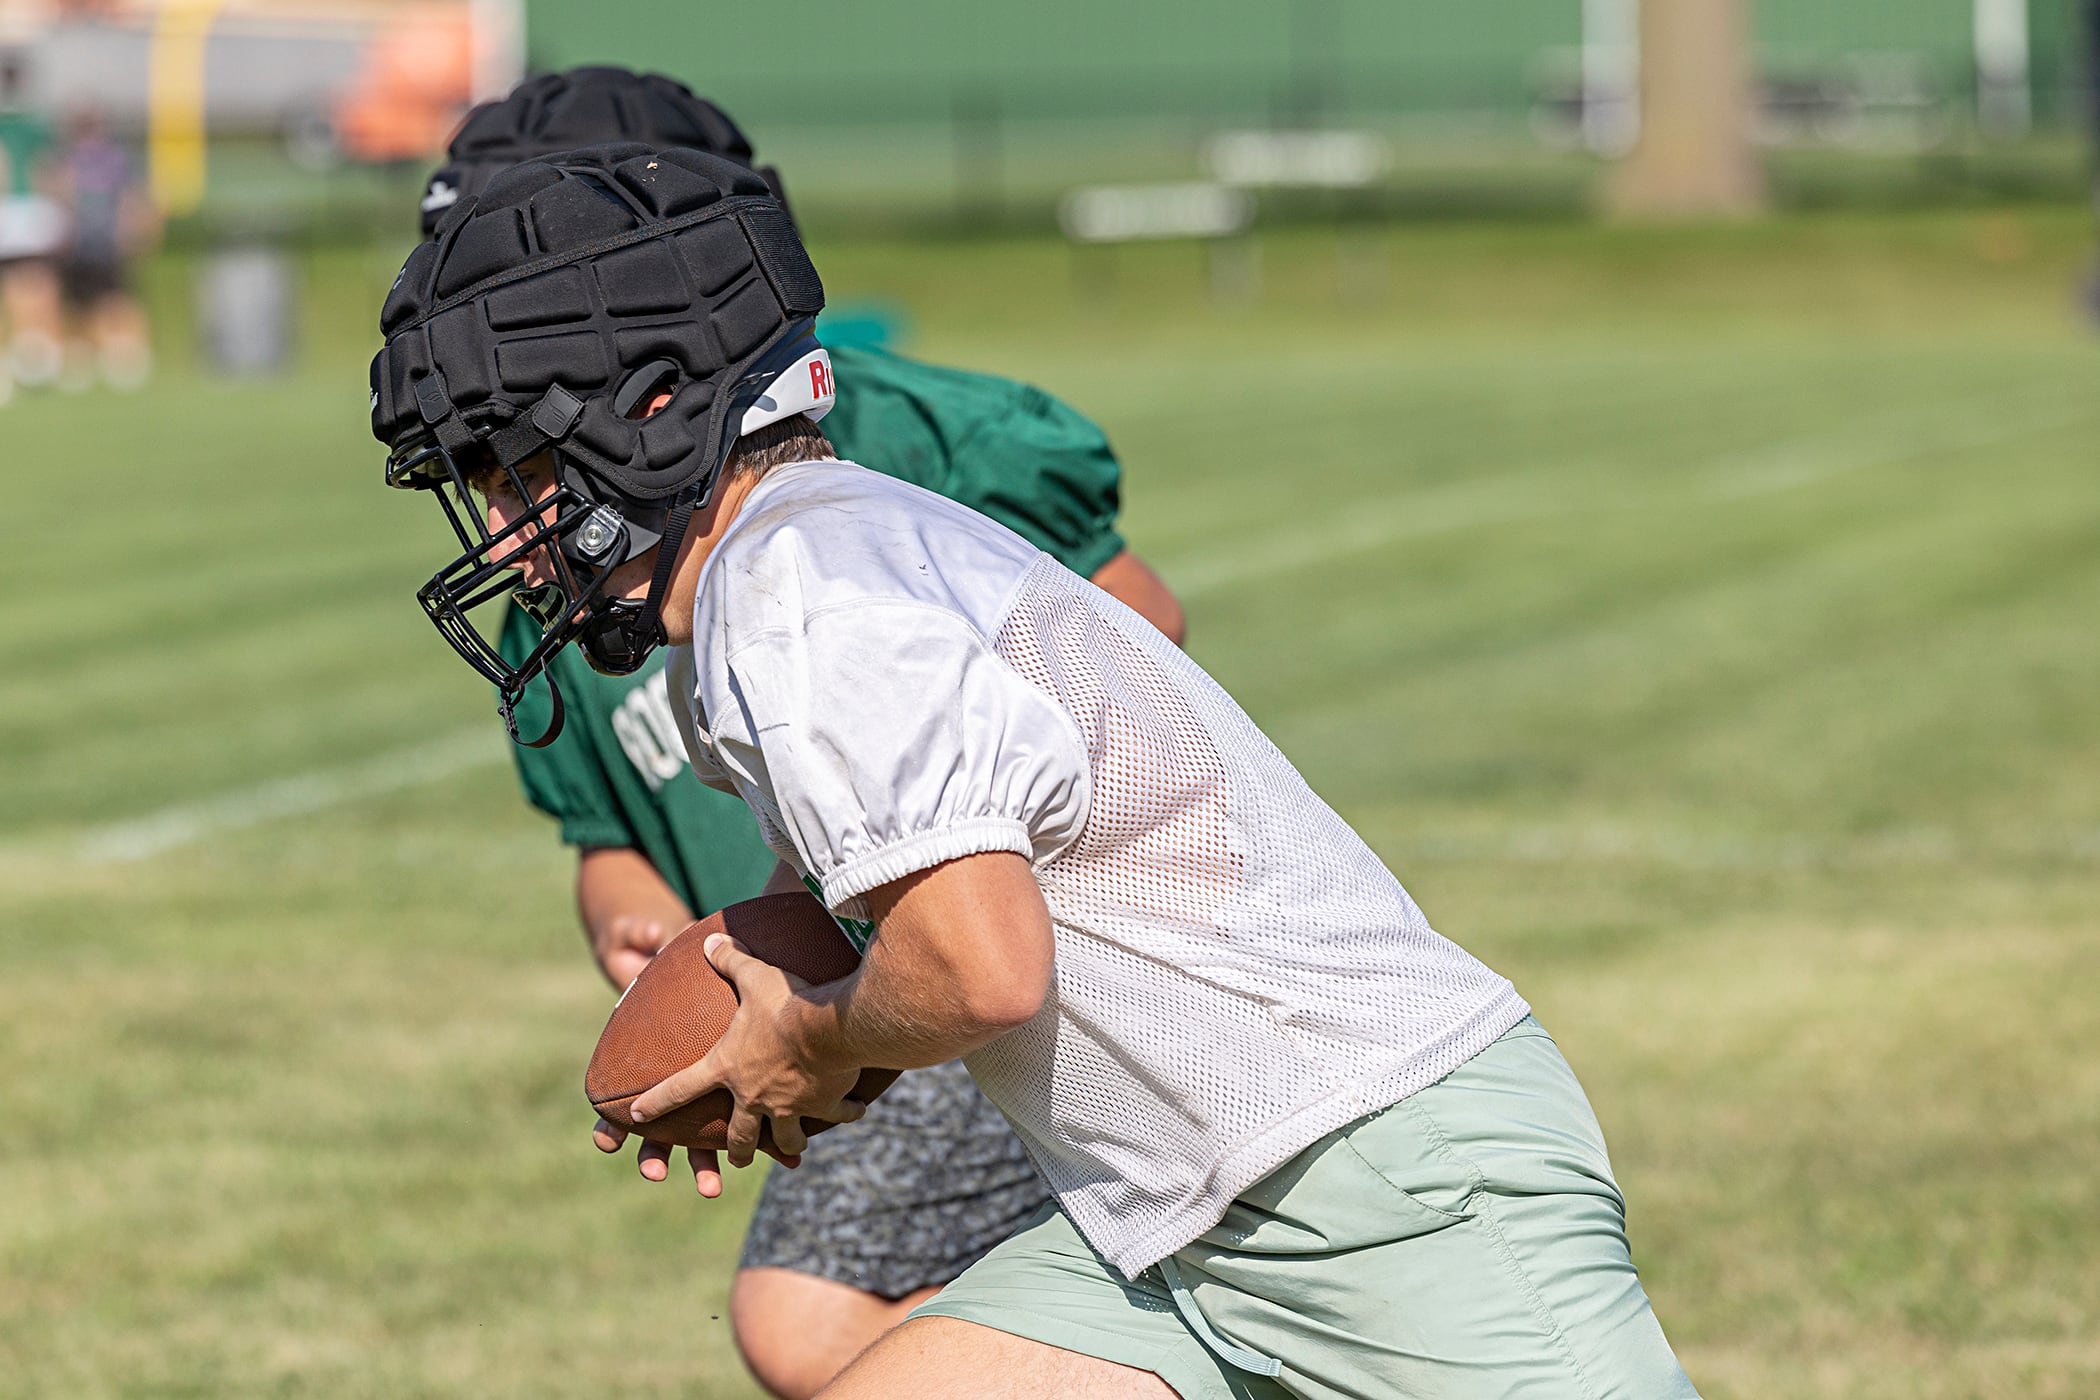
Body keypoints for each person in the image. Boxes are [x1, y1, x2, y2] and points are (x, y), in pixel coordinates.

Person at [373, 146, 1699, 1399]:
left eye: (512, 470)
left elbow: (981, 968)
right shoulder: (794, 562)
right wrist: (803, 1044)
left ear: (650, 413)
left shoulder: (798, 596)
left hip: (1373, 1179)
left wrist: (815, 1036)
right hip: (1183, 1217)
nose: (502, 528)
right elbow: (914, 927)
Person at [405, 69, 1183, 1400]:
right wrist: (644, 921)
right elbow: (601, 826)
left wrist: (949, 827)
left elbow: (1134, 633)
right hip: (846, 956)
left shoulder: (826, 474)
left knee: (808, 1315)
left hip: (964, 929)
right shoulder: (561, 553)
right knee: (811, 1322)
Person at [53, 105, 154, 390]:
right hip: (78, 242)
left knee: (115, 301)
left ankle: (127, 356)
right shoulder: (67, 156)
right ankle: (83, 361)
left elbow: (132, 196)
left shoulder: (114, 157)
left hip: (105, 241)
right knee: (78, 304)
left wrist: (135, 230)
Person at [0, 48, 64, 402]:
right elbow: (49, 171)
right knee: (35, 280)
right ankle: (38, 354)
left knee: (28, 281)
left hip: (17, 209)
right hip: (25, 209)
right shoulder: (35, 121)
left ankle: (38, 352)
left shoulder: (31, 121)